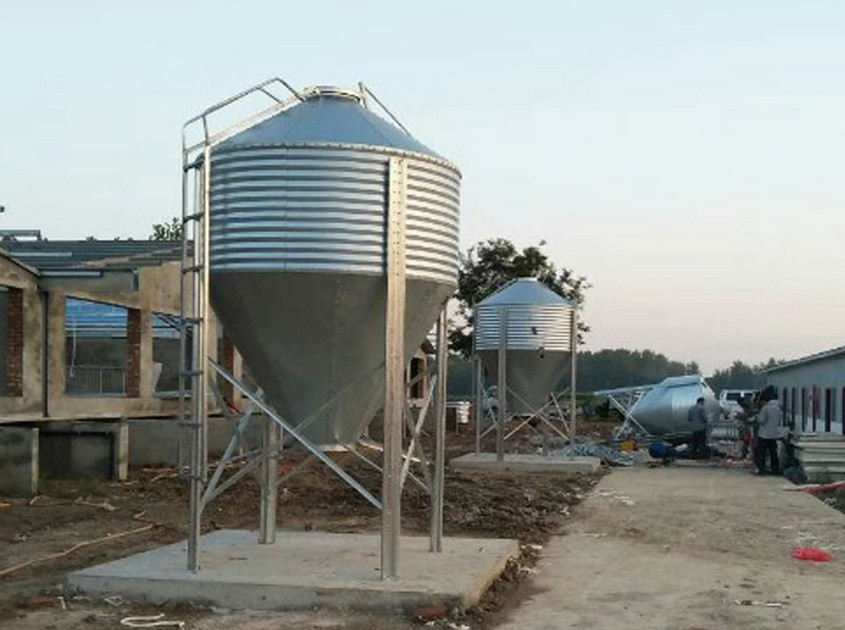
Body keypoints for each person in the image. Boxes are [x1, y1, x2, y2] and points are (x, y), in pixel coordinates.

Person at [755, 387, 783, 475]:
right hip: (774, 434)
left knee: (762, 453)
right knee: (773, 453)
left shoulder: (766, 408)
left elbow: (761, 420)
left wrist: (756, 417)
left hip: (764, 435)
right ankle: (776, 470)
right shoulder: (778, 408)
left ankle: (761, 470)